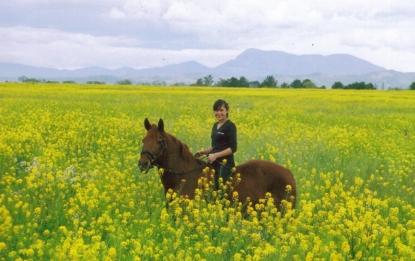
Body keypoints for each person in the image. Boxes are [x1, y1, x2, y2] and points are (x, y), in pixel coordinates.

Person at [196, 99, 237, 190]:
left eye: (221, 110)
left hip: (225, 164)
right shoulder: (215, 125)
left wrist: (216, 155)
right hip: (213, 162)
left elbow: (233, 148)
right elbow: (214, 146)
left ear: (227, 110)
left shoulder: (230, 126)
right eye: (216, 110)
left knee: (221, 188)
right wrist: (203, 152)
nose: (219, 113)